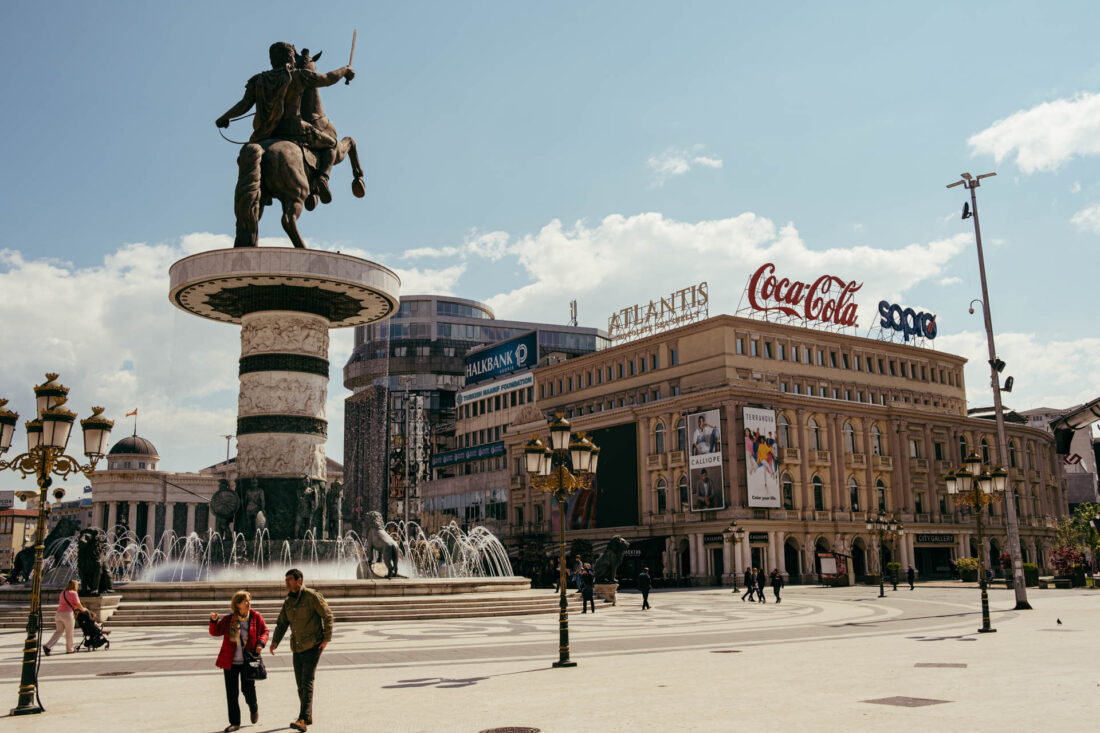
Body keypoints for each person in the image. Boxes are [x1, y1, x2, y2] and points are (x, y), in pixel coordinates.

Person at [270, 568, 334, 732]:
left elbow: (327, 616)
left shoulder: (312, 596)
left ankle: (302, 719)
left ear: (299, 580)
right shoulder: (288, 601)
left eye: (290, 579)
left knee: (306, 681)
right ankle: (308, 714)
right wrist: (275, 641)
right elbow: (282, 623)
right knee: (300, 684)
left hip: (313, 645)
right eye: (286, 580)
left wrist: (326, 639)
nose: (287, 583)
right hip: (297, 647)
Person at [210, 590, 269, 732]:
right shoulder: (229, 619)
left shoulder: (255, 617)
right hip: (230, 661)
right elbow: (216, 631)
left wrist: (261, 643)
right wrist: (213, 621)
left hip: (248, 660)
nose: (248, 603)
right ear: (237, 604)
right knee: (232, 693)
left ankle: (253, 707)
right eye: (245, 601)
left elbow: (265, 631)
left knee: (247, 690)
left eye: (249, 600)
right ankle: (235, 722)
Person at [43, 579, 86, 655]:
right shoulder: (74, 593)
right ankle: (70, 649)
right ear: (75, 586)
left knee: (58, 632)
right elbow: (77, 604)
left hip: (58, 614)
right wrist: (83, 609)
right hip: (67, 614)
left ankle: (48, 646)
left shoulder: (62, 593)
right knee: (69, 632)